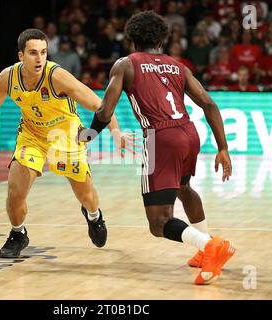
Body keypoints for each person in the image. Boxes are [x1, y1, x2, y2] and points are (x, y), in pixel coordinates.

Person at [0, 29, 136, 258]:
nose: (40, 58)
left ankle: (94, 216)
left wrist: (116, 132)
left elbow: (100, 104)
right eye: (33, 53)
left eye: (43, 52)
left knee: (86, 195)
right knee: (15, 191)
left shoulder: (57, 76)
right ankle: (18, 234)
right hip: (32, 134)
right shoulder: (8, 77)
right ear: (21, 56)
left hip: (65, 134)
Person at [79, 11, 235, 285]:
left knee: (159, 223)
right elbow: (209, 103)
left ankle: (210, 245)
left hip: (161, 137)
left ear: (131, 39)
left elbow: (105, 111)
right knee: (184, 188)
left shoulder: (126, 65)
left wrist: (89, 134)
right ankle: (203, 250)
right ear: (163, 39)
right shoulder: (178, 66)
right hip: (189, 132)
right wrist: (223, 147)